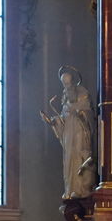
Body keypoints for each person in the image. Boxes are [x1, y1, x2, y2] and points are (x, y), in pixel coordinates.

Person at [42, 65, 96, 199]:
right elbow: (63, 118)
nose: (66, 87)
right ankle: (70, 188)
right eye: (64, 84)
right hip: (68, 133)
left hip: (79, 130)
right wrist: (54, 121)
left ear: (73, 81)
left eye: (68, 83)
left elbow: (88, 113)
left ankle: (80, 189)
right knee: (69, 158)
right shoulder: (65, 96)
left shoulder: (82, 92)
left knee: (79, 156)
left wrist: (78, 112)